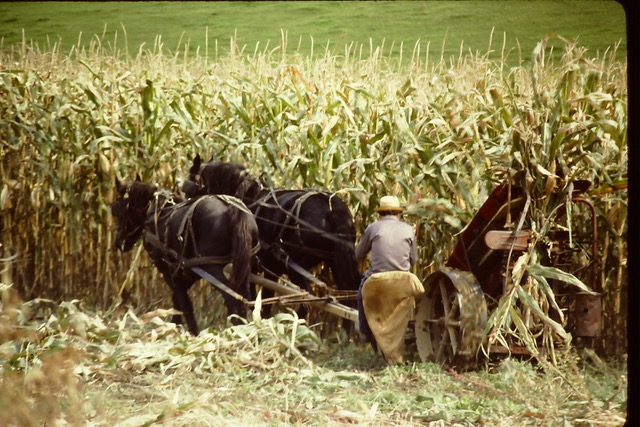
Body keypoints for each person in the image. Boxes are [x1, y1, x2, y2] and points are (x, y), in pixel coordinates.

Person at [355, 195, 418, 340]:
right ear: (398, 213)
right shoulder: (408, 229)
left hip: (378, 278)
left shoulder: (373, 228)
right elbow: (414, 260)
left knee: (361, 295)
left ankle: (364, 330)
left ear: (380, 213)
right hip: (402, 279)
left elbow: (358, 254)